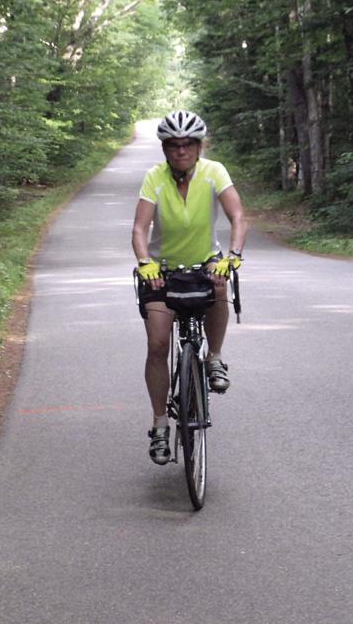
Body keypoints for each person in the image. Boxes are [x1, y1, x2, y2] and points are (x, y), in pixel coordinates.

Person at [131, 110, 247, 465]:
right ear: (165, 149)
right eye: (173, 145)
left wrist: (233, 255)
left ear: (199, 146)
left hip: (204, 262)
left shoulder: (214, 172)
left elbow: (238, 217)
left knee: (218, 283)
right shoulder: (155, 177)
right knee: (158, 343)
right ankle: (160, 425)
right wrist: (145, 262)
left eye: (188, 144)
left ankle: (213, 358)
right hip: (162, 271)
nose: (181, 151)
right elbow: (140, 229)